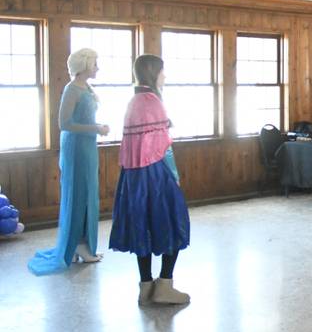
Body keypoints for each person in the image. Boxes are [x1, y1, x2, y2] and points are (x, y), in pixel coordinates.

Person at [109, 55, 191, 306]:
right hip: (155, 175)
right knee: (173, 224)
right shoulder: (152, 101)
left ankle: (145, 287)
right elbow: (163, 148)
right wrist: (174, 176)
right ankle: (165, 284)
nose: (165, 75)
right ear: (153, 73)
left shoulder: (134, 101)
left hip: (133, 176)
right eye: (163, 71)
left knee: (142, 227)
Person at [28, 49, 110, 276]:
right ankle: (76, 244)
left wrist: (96, 127)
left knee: (88, 194)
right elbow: (64, 124)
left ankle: (82, 243)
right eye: (94, 63)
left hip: (87, 146)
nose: (97, 67)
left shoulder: (87, 88)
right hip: (76, 148)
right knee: (78, 194)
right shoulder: (71, 89)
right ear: (83, 65)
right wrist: (96, 128)